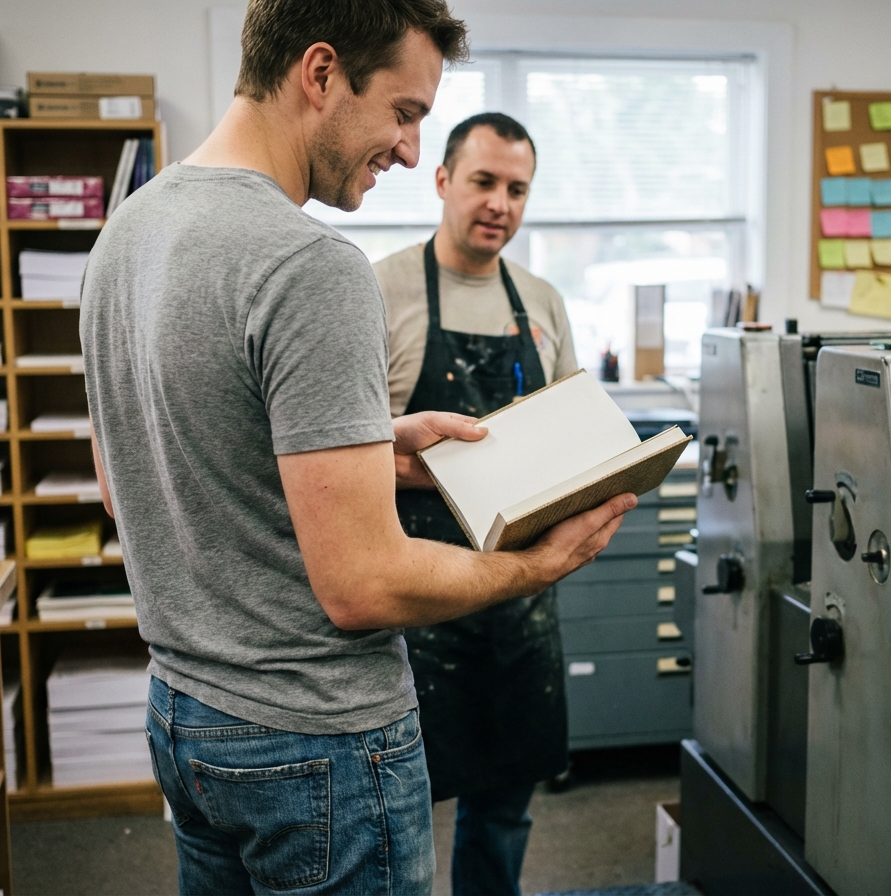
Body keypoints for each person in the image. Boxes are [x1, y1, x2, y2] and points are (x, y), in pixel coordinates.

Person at [79, 2, 637, 894]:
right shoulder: (313, 265)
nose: (411, 153)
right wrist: (534, 569)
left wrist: (371, 449)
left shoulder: (126, 235)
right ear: (321, 73)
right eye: (406, 113)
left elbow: (134, 482)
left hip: (187, 715)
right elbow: (362, 585)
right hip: (317, 743)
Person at [373, 113, 575, 895]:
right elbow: (341, 459)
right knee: (401, 810)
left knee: (503, 810)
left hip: (520, 601)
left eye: (517, 189)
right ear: (443, 181)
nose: (500, 203)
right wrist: (452, 474)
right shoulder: (379, 291)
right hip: (416, 601)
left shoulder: (543, 302)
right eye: (484, 182)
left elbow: (570, 434)